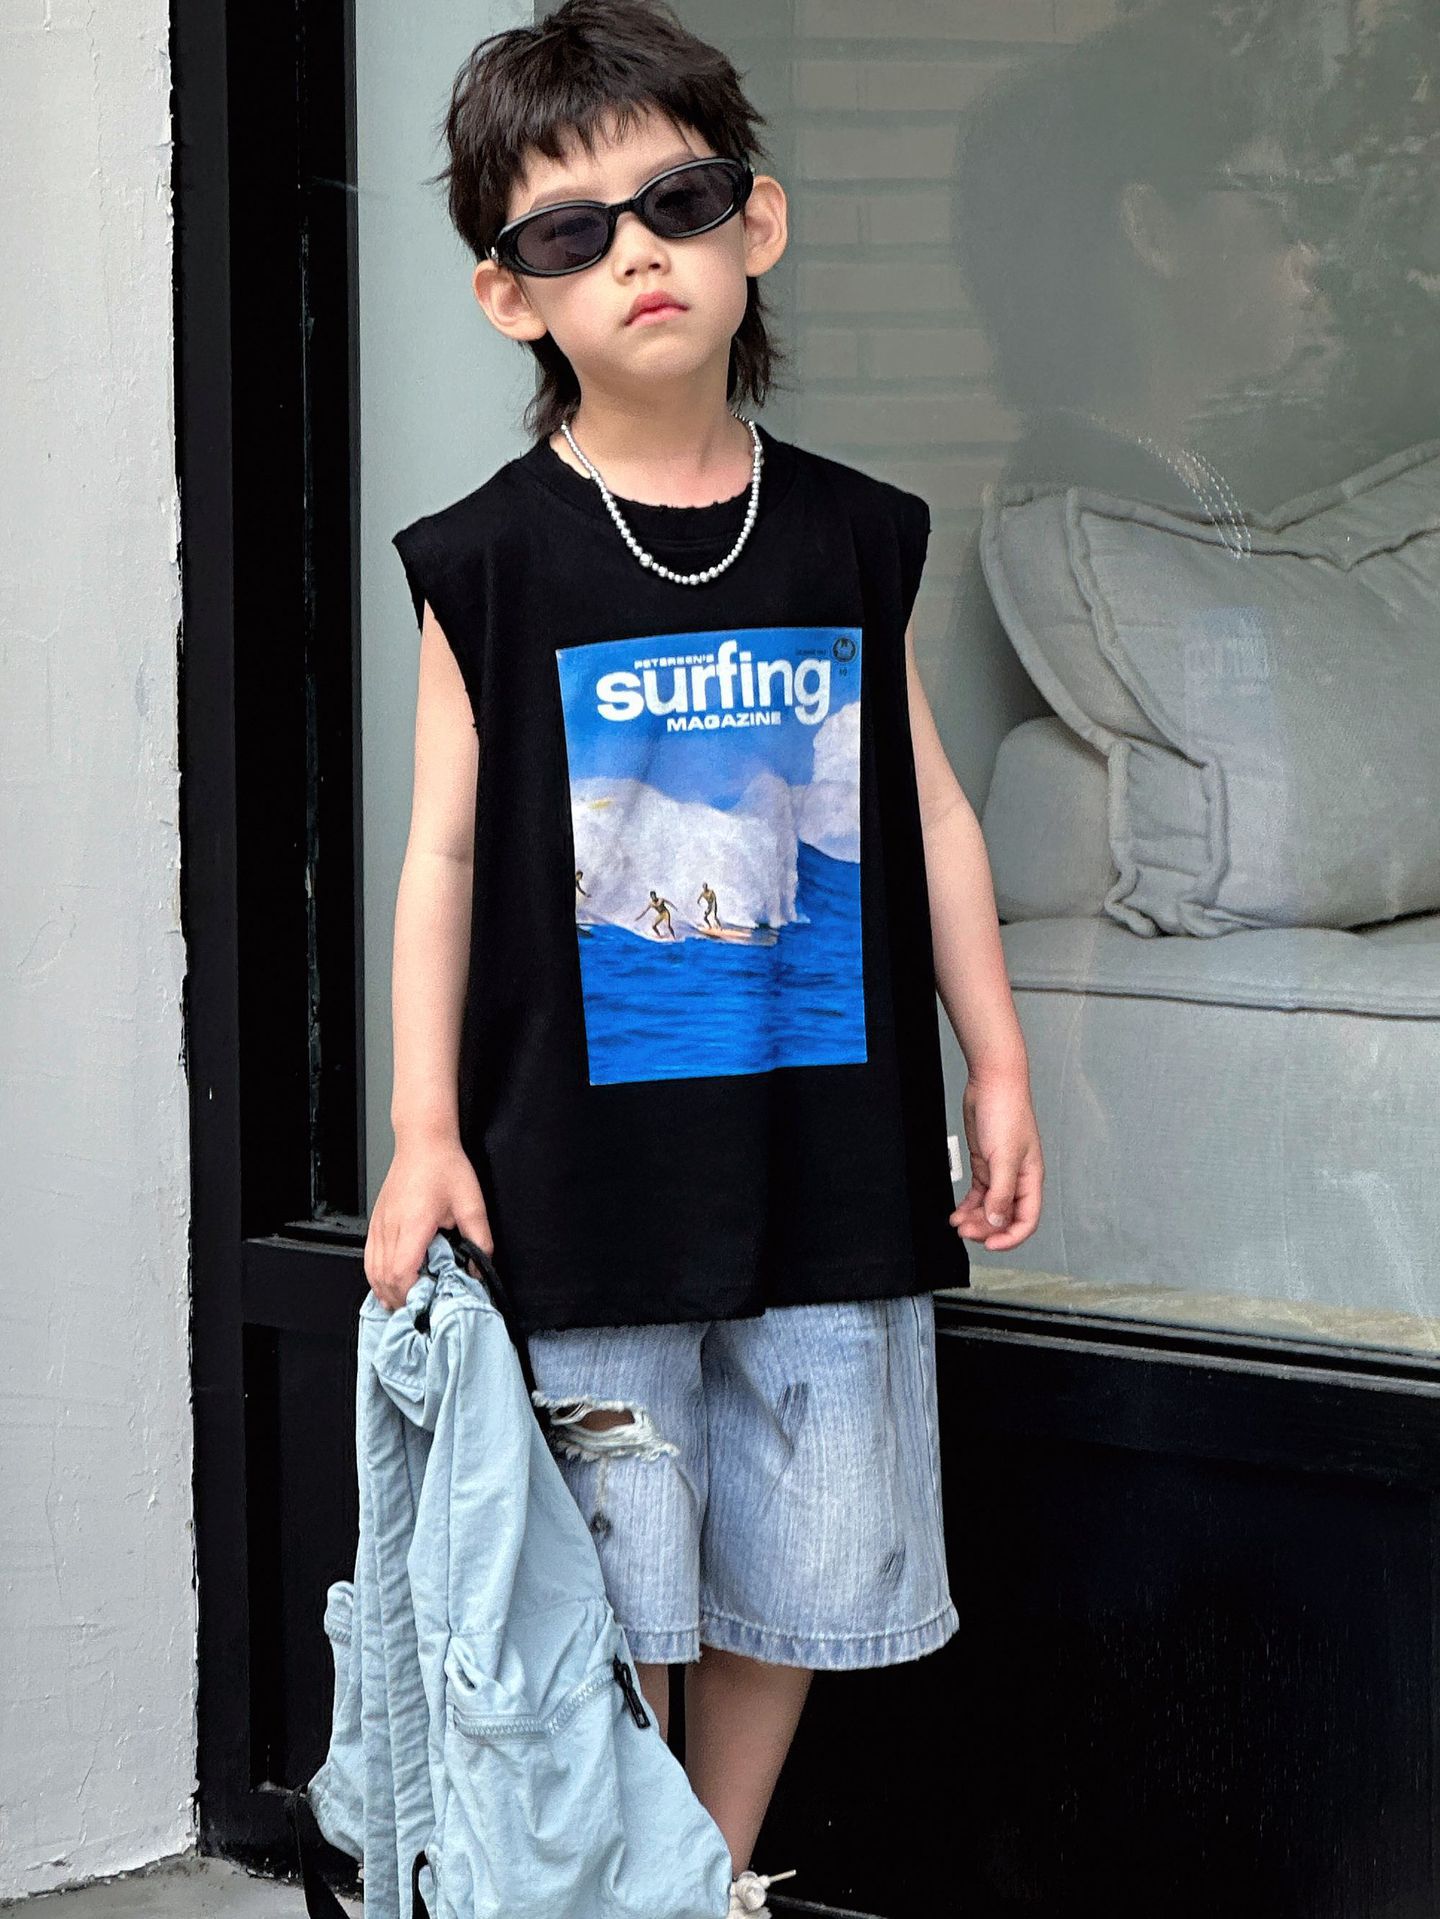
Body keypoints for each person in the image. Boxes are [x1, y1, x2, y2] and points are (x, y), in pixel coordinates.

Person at [365, 3, 1043, 1912]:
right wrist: (424, 1131)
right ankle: (621, 1880)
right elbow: (439, 856)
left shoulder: (851, 534)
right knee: (612, 1570)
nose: (637, 254)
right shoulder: (489, 562)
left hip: (827, 1159)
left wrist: (995, 1061)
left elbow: (928, 816)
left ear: (760, 221)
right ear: (510, 296)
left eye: (676, 201)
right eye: (570, 231)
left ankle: (707, 1877)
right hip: (584, 1174)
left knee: (807, 1558)